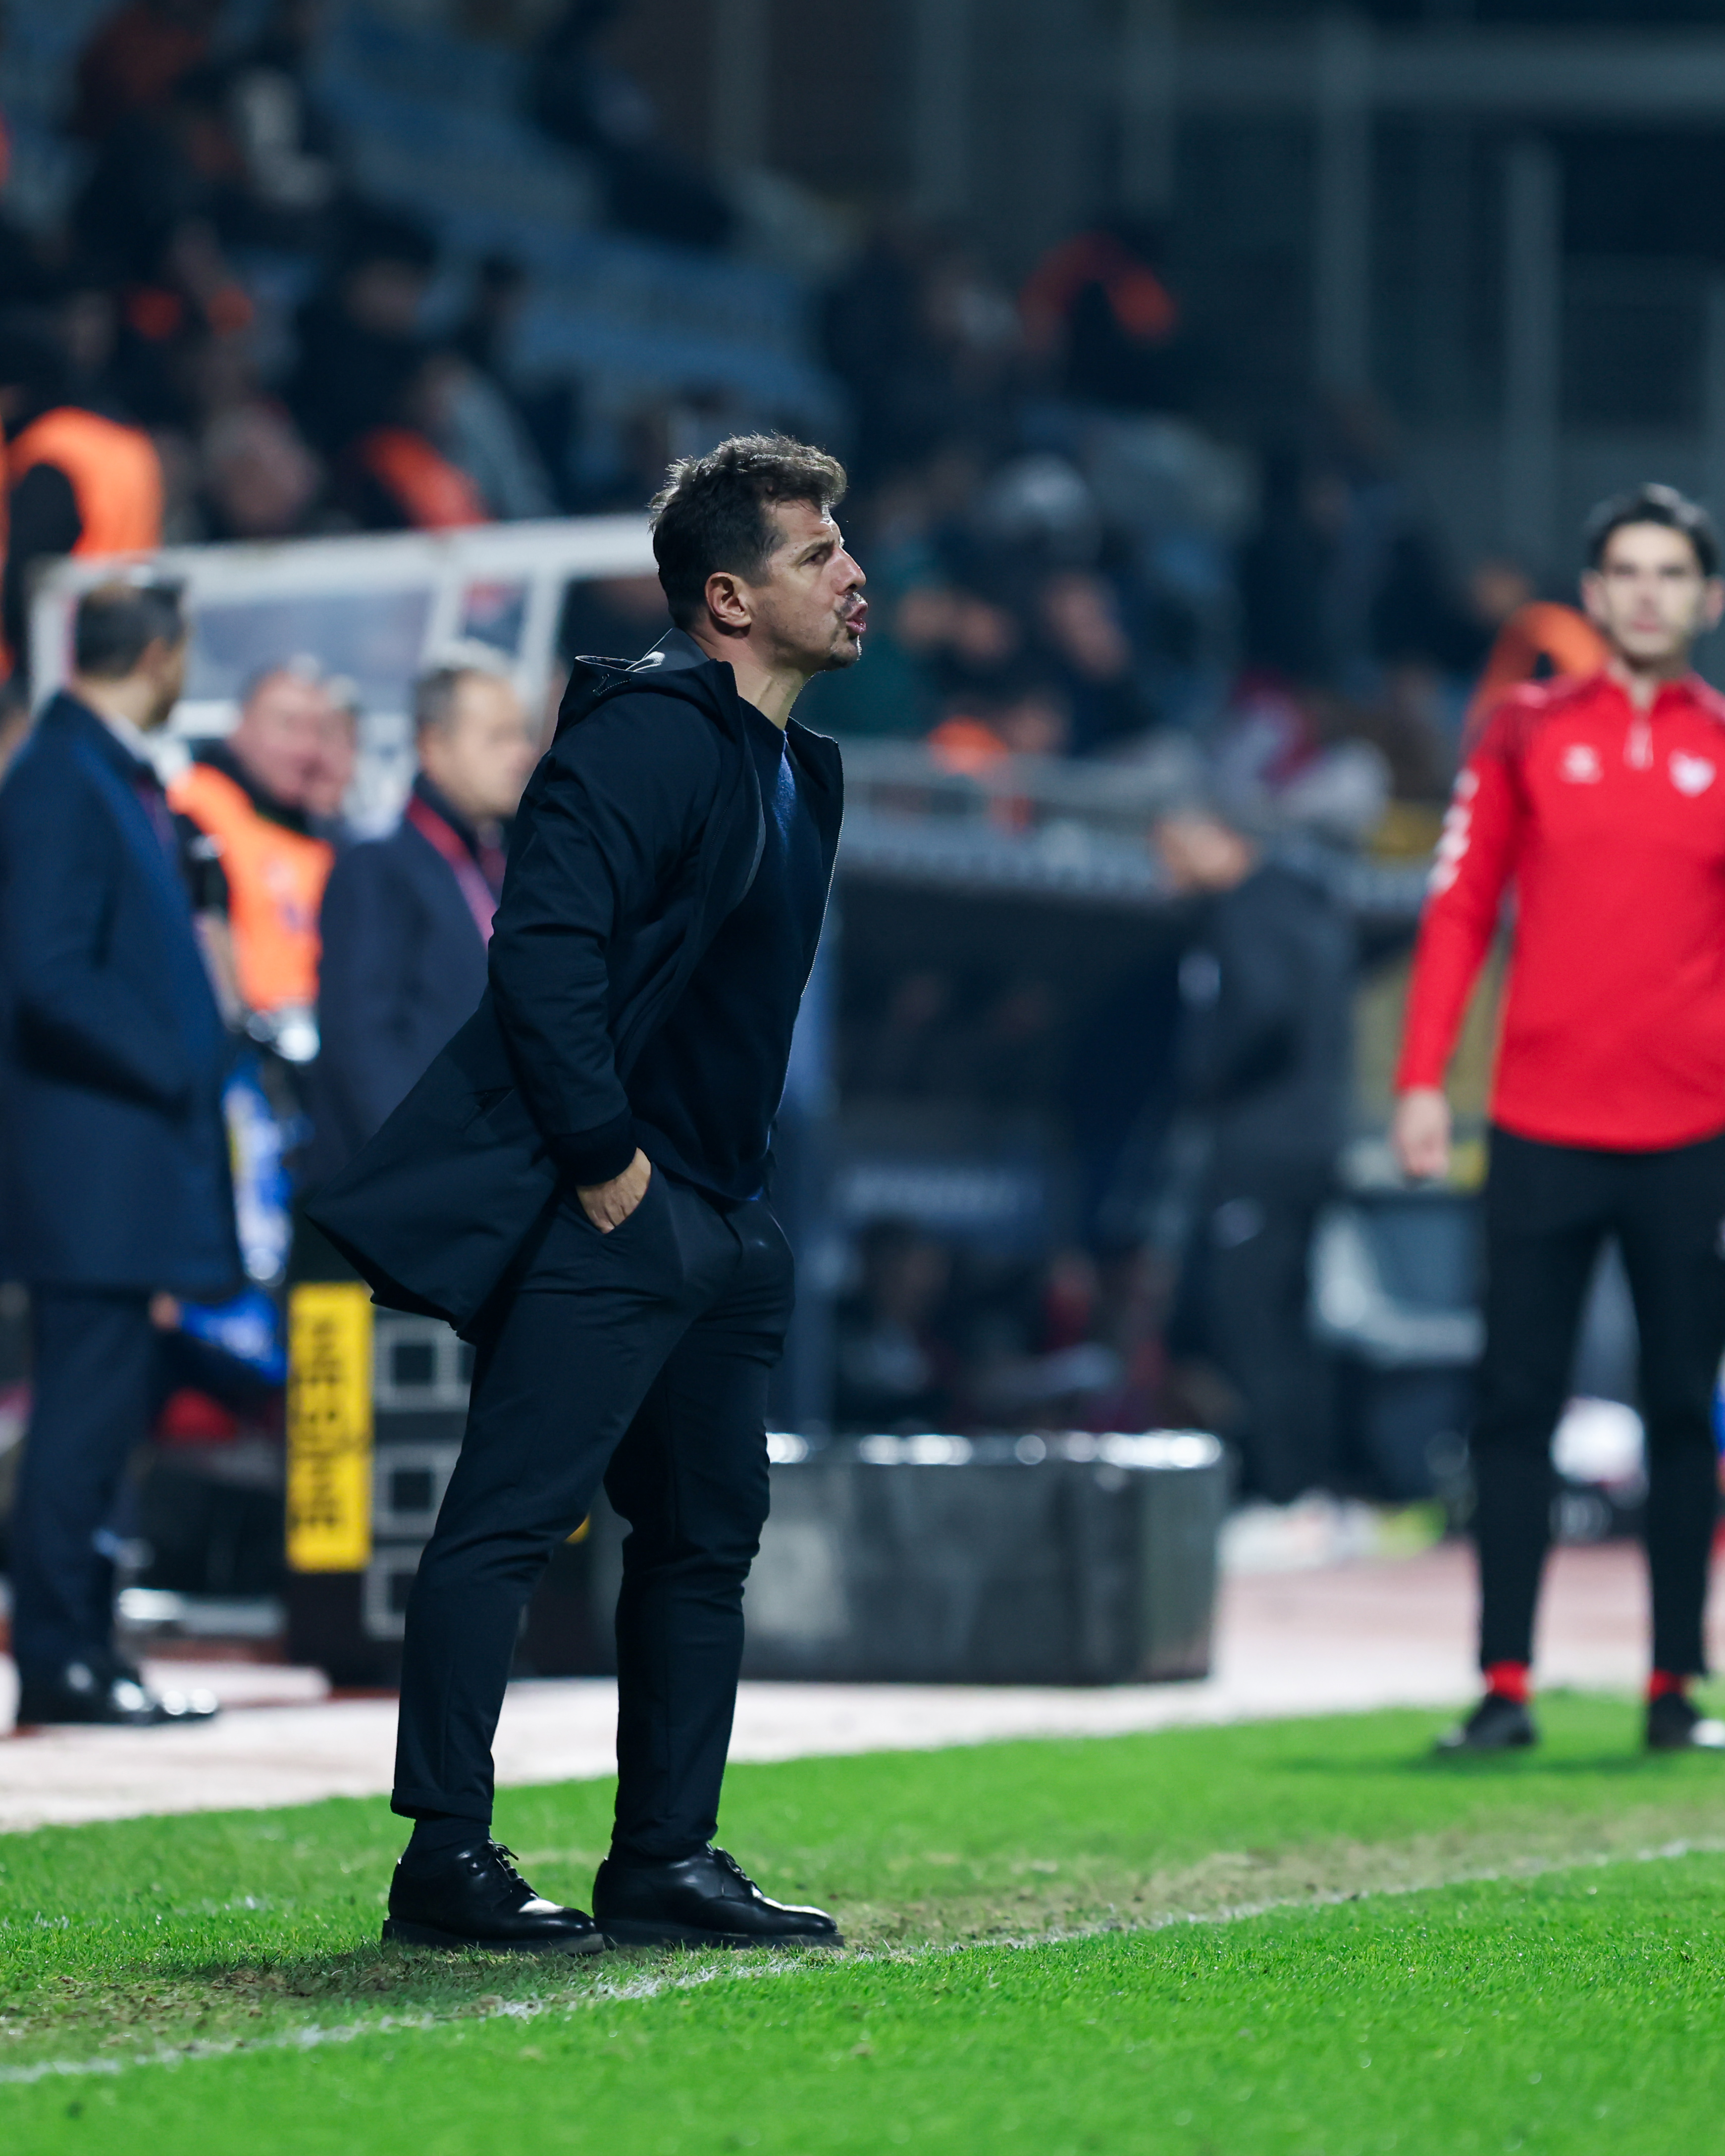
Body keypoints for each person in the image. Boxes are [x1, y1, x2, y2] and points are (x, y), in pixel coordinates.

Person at [310, 433, 861, 1953]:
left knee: (702, 1541)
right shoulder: (643, 736)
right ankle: (443, 1857)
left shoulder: (803, 768)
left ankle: (664, 1855)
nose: (853, 573)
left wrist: (730, 1214)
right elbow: (542, 953)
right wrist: (609, 1162)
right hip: (616, 1203)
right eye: (818, 553)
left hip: (722, 1218)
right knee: (506, 1518)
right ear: (729, 599)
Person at [1393, 485, 1725, 1755]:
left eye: (1669, 572)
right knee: (1513, 1405)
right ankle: (1503, 1684)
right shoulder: (1522, 731)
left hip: (1690, 1131)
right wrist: (1420, 1077)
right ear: (1591, 595)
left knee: (1679, 1409)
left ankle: (1673, 1688)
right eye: (1624, 571)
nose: (1645, 593)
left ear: (1706, 600)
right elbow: (1459, 904)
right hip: (1537, 1120)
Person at [0, 579, 235, 1726]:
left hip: (114, 1163)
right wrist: (176, 1060)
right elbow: (48, 972)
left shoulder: (104, 771)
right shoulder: (61, 776)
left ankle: (89, 1649)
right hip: (88, 1164)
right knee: (84, 1414)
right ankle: (61, 1657)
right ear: (158, 652)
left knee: (102, 1415)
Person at [1154, 803, 1354, 1504]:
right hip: (1311, 1144)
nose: (1166, 873)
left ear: (1217, 836)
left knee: (1249, 1325)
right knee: (1288, 1324)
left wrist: (1201, 1073)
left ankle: (1285, 1493)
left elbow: (1262, 1010)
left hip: (1260, 1146)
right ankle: (1306, 1491)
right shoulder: (1309, 906)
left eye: (1173, 851)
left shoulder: (1247, 910)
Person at [310, 657, 533, 1184]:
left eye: (522, 734)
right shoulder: (379, 864)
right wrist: (421, 1168)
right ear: (433, 745)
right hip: (426, 1177)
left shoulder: (497, 861)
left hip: (498, 1166)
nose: (522, 754)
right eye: (498, 737)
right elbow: (359, 1040)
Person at [166, 661, 336, 1049]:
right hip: (240, 1050)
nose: (306, 748)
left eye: (319, 731)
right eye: (288, 726)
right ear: (241, 726)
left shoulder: (318, 829)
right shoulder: (193, 813)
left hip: (308, 1043)